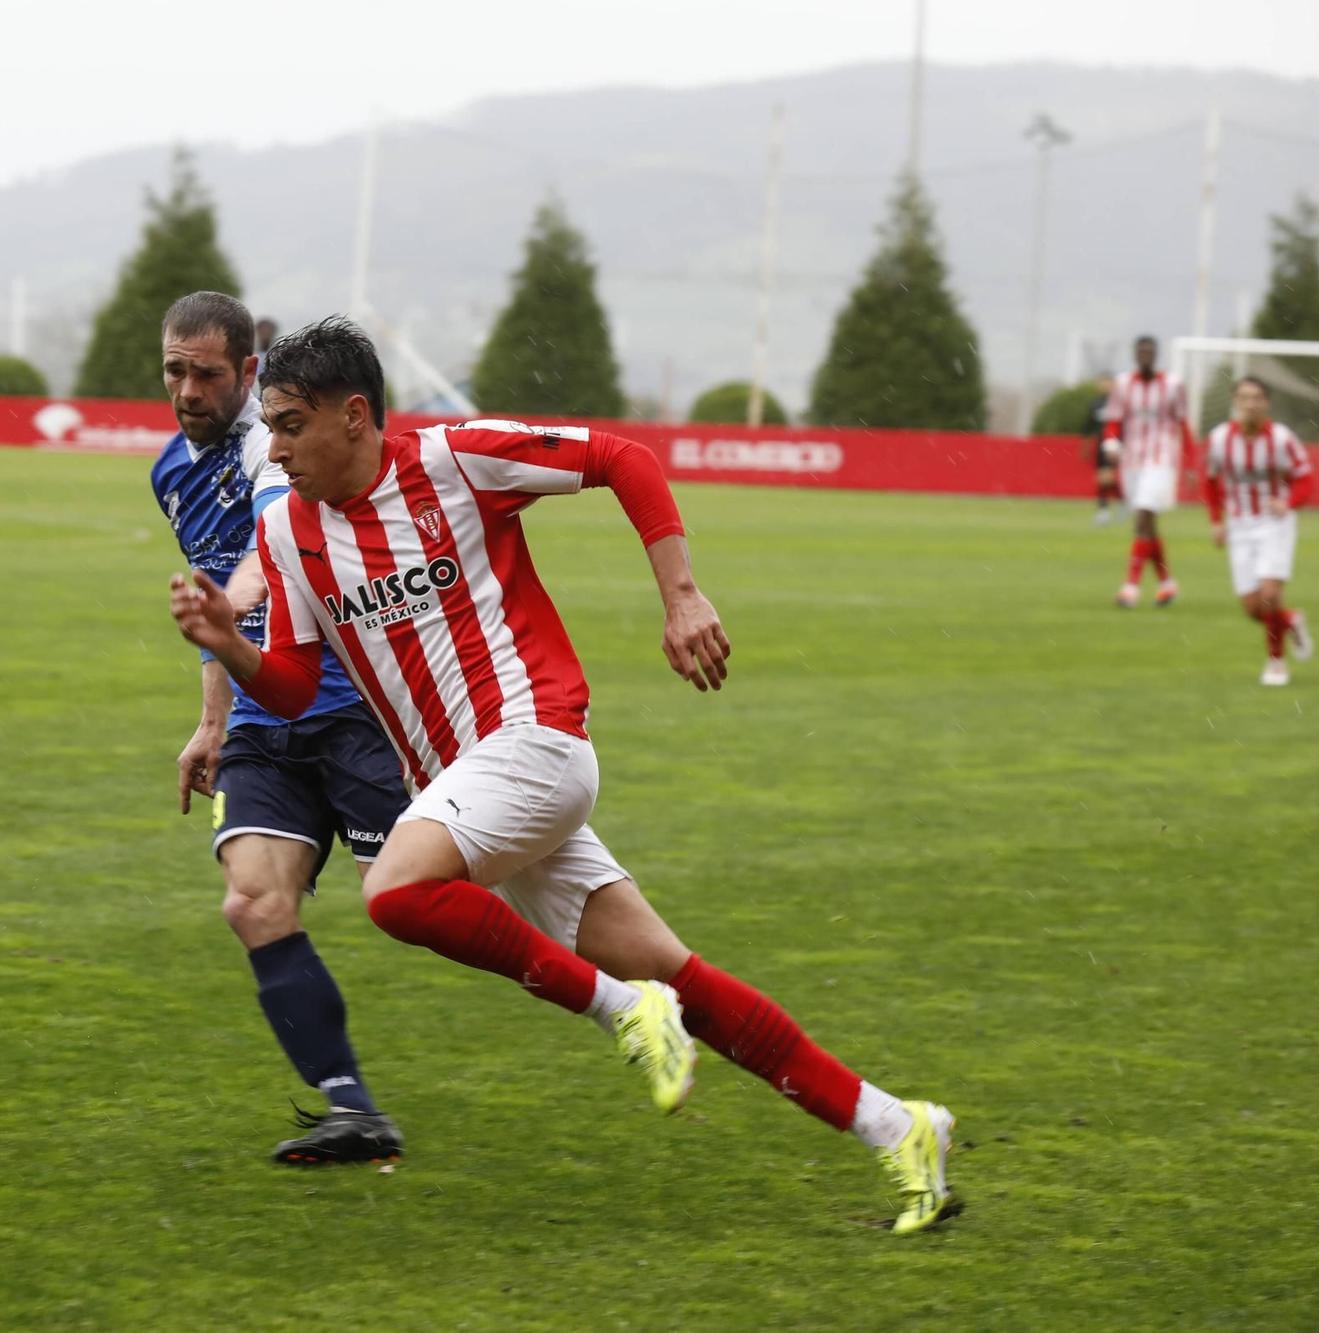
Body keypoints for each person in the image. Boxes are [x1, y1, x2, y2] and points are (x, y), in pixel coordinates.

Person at [172, 317, 960, 1234]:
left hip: (535, 737)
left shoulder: (456, 460)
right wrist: (233, 644)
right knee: (683, 977)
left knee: (391, 891)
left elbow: (622, 457)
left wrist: (682, 594)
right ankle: (900, 1128)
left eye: (291, 423)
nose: (275, 446)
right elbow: (301, 686)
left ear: (355, 416)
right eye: (268, 424)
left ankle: (622, 1010)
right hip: (472, 785)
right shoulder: (289, 535)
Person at [152, 293, 409, 1164]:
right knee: (253, 901)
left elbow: (269, 537)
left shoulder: (272, 444)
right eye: (174, 371)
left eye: (208, 373)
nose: (188, 389)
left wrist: (249, 594)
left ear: (249, 372)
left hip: (350, 705)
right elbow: (212, 603)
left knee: (423, 904)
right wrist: (209, 722)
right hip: (265, 714)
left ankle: (616, 989)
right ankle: (352, 1109)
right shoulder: (169, 473)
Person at [1204, 376, 1315, 687]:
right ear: (1235, 402)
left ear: (1266, 403)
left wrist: (1289, 502)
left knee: (1269, 596)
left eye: (1256, 398)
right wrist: (1216, 521)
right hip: (1239, 526)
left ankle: (1276, 663)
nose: (1250, 404)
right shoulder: (1220, 439)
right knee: (1253, 609)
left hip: (1274, 524)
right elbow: (1210, 481)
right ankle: (1291, 620)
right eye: (1244, 397)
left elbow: (1306, 479)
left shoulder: (1281, 439)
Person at [1102, 336, 1195, 608]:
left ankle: (1130, 587)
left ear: (1156, 354)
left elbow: (1183, 424)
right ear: (1135, 354)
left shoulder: (1173, 385)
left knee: (1143, 515)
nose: (1145, 355)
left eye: (1150, 351)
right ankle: (1167, 584)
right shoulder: (1122, 384)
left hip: (1162, 459)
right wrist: (1111, 441)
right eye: (1141, 351)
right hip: (1132, 461)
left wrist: (1190, 463)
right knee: (1147, 524)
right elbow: (1112, 421)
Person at [1085, 374, 1119, 525]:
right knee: (1101, 479)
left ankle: (1123, 503)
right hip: (1100, 444)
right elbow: (1088, 426)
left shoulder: (1119, 403)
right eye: (1103, 383)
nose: (1105, 385)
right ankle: (1103, 510)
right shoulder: (1096, 404)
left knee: (1111, 478)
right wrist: (1085, 445)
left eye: (1108, 382)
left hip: (1116, 445)